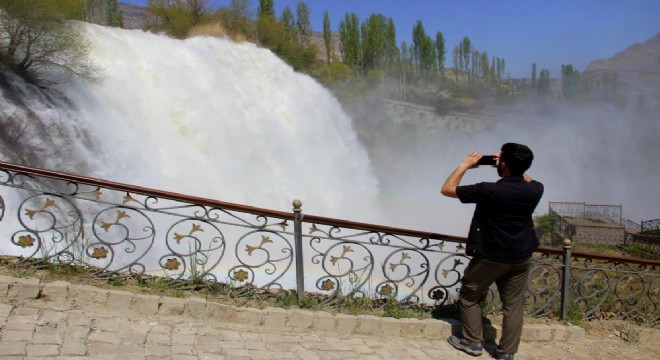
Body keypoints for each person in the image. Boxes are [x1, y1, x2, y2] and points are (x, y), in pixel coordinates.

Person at [440, 143, 544, 360]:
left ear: (503, 164)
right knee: (513, 305)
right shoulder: (536, 189)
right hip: (521, 255)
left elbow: (447, 189)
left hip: (491, 256)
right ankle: (507, 353)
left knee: (470, 295)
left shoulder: (489, 189)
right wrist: (511, 165)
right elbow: (525, 177)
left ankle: (472, 342)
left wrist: (465, 165)